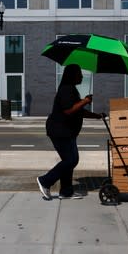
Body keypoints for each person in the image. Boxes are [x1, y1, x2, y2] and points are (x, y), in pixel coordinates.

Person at [36, 64, 103, 200]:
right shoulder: (67, 90)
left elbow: (79, 111)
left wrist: (96, 116)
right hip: (60, 131)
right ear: (73, 75)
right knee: (72, 159)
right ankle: (45, 181)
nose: (82, 76)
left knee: (68, 160)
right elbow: (68, 110)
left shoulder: (71, 90)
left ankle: (66, 192)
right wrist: (85, 100)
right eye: (79, 74)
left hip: (66, 131)